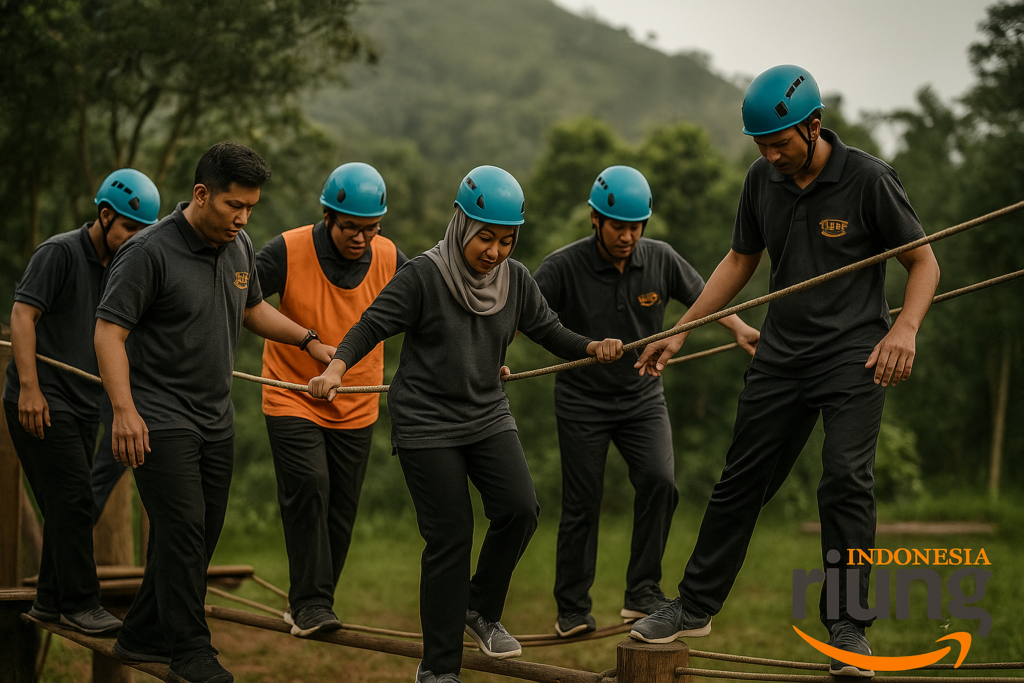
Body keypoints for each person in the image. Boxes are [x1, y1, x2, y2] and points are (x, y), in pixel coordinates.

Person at [628, 65, 941, 677]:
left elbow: (924, 263)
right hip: (781, 354)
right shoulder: (761, 179)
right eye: (761, 146)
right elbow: (739, 260)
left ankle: (847, 625)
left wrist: (904, 329)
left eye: (779, 144)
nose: (771, 156)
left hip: (853, 354)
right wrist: (680, 328)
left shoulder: (869, 179)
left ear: (814, 126)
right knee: (740, 480)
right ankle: (694, 605)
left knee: (844, 479)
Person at [309, 166, 624, 683]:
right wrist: (335, 370)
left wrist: (593, 347)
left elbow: (549, 330)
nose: (495, 251)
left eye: (506, 240)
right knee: (451, 535)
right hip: (426, 420)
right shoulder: (424, 275)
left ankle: (479, 608)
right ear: (461, 224)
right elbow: (371, 325)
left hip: (485, 412)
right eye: (485, 238)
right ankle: (438, 669)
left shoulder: (515, 280)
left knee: (520, 509)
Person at [94, 142, 336, 683]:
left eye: (250, 207)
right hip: (159, 418)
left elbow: (252, 309)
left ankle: (140, 633)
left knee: (199, 535)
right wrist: (124, 411)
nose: (243, 218)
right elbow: (108, 332)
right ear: (201, 194)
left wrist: (309, 340)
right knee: (182, 530)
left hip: (215, 418)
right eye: (234, 205)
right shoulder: (147, 252)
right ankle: (192, 650)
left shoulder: (238, 245)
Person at [532, 165, 760, 637]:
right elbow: (523, 316)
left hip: (642, 397)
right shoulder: (562, 266)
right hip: (581, 402)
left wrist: (740, 330)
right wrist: (492, 357)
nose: (628, 236)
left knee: (661, 483)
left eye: (636, 227)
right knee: (582, 502)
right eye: (618, 227)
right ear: (596, 220)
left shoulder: (660, 258)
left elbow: (705, 297)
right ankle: (572, 608)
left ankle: (642, 592)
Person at [256, 162, 408, 637]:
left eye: (371, 228)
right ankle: (311, 603)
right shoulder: (287, 249)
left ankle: (312, 601)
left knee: (342, 508)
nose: (361, 238)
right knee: (310, 485)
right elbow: (241, 299)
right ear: (328, 216)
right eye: (350, 228)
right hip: (292, 393)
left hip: (356, 402)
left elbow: (430, 310)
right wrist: (305, 340)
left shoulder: (390, 257)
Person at [4, 168, 159, 635]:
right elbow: (22, 316)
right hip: (42, 399)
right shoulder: (59, 252)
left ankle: (49, 600)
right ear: (105, 215)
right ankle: (81, 603)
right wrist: (30, 388)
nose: (135, 238)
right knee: (73, 499)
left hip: (86, 403)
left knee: (69, 503)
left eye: (143, 232)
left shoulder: (126, 267)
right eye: (129, 228)